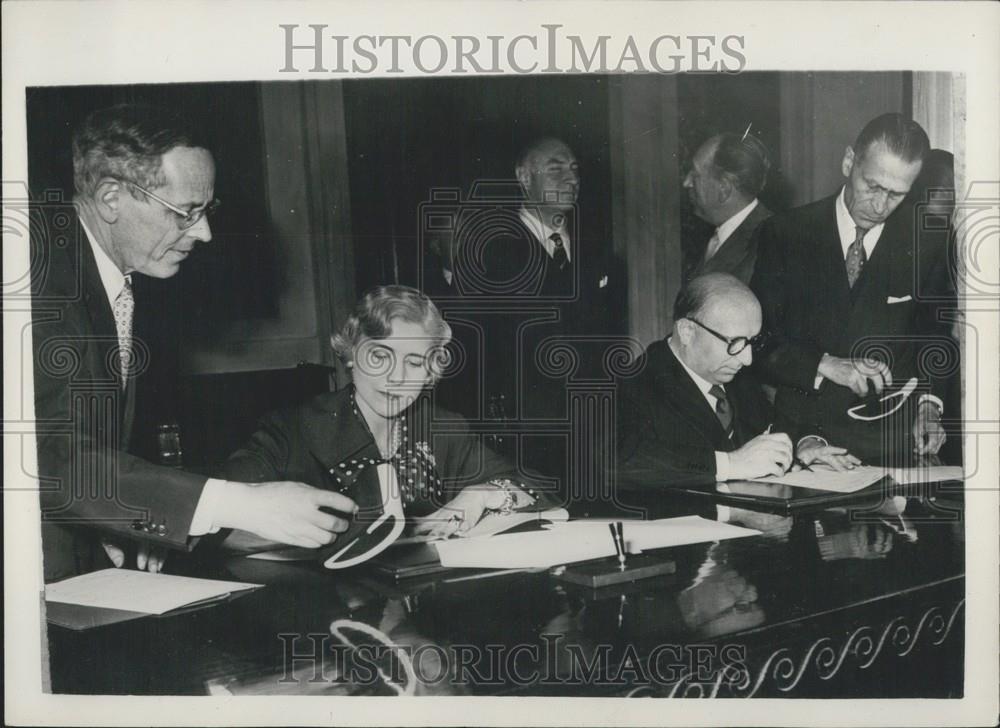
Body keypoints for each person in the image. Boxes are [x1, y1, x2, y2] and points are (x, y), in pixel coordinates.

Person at [31, 104, 357, 582]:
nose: (203, 232)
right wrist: (237, 503)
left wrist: (132, 523)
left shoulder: (100, 272)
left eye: (207, 211)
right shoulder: (36, 277)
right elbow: (47, 455)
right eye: (186, 212)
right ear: (110, 198)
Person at [219, 285, 551, 549]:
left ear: (431, 370)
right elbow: (214, 519)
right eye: (380, 356)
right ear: (351, 354)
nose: (396, 377)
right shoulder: (291, 430)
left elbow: (539, 488)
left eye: (414, 362)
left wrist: (480, 495)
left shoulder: (443, 428)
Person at [750, 113, 954, 465]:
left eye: (896, 195)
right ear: (848, 162)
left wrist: (930, 407)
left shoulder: (930, 240)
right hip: (806, 439)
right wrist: (824, 364)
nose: (879, 206)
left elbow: (934, 337)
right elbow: (758, 341)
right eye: (872, 186)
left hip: (894, 444)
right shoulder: (785, 233)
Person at [439, 137, 625, 493]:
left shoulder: (598, 254)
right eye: (555, 169)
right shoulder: (489, 250)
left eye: (574, 170)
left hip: (591, 434)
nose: (570, 179)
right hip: (518, 434)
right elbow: (467, 347)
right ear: (524, 177)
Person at [616, 274, 858, 489]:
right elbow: (618, 461)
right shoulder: (632, 385)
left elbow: (775, 424)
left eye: (752, 342)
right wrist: (731, 464)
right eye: (735, 343)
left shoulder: (734, 377)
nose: (748, 358)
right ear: (687, 331)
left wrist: (804, 445)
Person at [682, 132, 773, 285]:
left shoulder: (770, 245)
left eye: (695, 175)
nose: (686, 183)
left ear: (724, 188)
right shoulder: (717, 236)